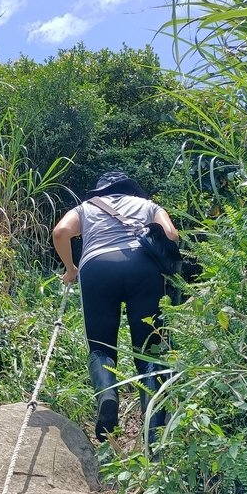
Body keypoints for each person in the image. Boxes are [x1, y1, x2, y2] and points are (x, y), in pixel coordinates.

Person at [52, 171, 179, 444]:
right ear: (130, 190)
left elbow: (61, 232)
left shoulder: (84, 208)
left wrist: (70, 269)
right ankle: (154, 432)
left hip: (97, 268)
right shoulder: (147, 205)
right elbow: (171, 234)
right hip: (144, 269)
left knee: (100, 347)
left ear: (100, 192)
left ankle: (108, 398)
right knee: (150, 350)